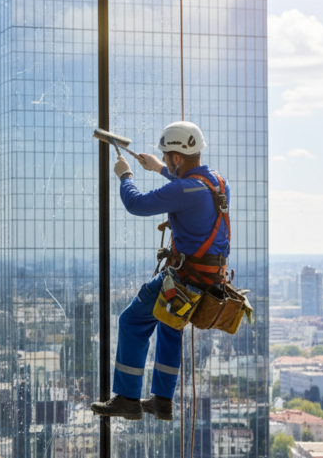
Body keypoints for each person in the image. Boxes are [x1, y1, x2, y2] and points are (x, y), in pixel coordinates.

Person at [90, 121, 230, 421]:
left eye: (166, 156)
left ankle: (128, 399)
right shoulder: (218, 183)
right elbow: (192, 187)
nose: (164, 159)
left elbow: (136, 203)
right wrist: (158, 168)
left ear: (177, 157)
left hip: (183, 279)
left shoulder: (182, 189)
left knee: (131, 322)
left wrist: (125, 175)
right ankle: (162, 401)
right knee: (170, 328)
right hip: (208, 281)